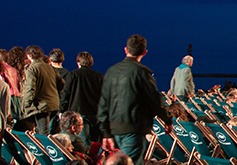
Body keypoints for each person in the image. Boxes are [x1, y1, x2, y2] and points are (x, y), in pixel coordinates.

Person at [99, 34, 173, 164]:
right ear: (144, 52)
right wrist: (167, 119)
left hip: (114, 127)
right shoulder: (142, 72)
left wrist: (105, 132)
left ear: (126, 50)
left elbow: (104, 103)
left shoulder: (112, 71)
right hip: (133, 127)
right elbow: (155, 100)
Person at [61, 51, 104, 143]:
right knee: (94, 142)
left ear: (78, 63)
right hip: (95, 114)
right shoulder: (99, 76)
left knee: (83, 142)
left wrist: (62, 110)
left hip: (79, 113)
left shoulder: (73, 75)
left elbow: (66, 93)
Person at [21, 46, 63, 134]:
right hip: (54, 104)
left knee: (43, 132)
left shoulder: (32, 69)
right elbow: (61, 83)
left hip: (42, 105)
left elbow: (30, 88)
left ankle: (45, 148)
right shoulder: (50, 68)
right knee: (41, 130)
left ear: (28, 56)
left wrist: (26, 104)